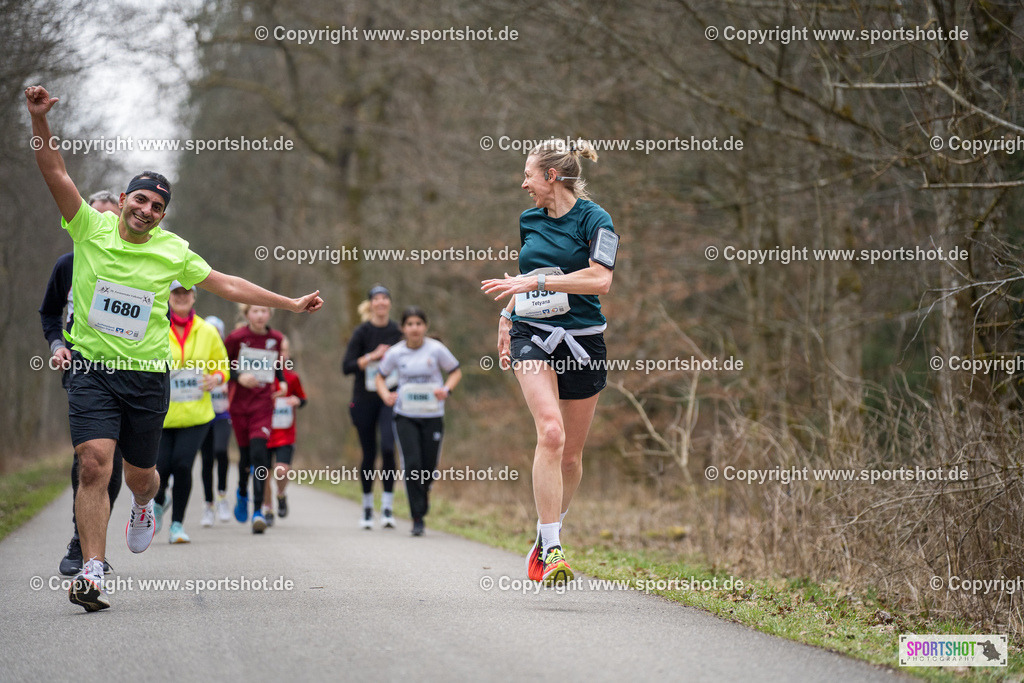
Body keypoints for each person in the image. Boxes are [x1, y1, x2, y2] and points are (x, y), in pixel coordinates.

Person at [27, 84, 323, 612]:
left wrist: (291, 304)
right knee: (94, 463)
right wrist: (39, 120)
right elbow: (56, 173)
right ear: (124, 200)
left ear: (163, 216)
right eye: (140, 200)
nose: (146, 210)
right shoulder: (89, 228)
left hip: (146, 377)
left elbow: (228, 284)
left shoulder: (173, 252)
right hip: (93, 369)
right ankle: (92, 568)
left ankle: (146, 503)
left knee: (140, 475)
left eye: (157, 206)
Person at [480, 138, 616, 584]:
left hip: (583, 340)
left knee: (571, 458)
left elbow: (600, 280)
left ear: (552, 176)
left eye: (529, 175)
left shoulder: (596, 220)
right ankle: (554, 550)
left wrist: (538, 283)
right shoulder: (529, 220)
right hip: (533, 334)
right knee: (551, 433)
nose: (524, 184)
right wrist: (507, 315)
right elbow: (527, 277)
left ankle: (545, 534)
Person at [41, 191, 126, 576]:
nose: (104, 224)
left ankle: (96, 540)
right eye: (97, 217)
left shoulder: (136, 263)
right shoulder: (69, 264)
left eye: (111, 217)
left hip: (131, 371)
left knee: (117, 463)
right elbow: (49, 313)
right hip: (84, 369)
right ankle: (82, 543)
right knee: (90, 458)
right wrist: (58, 345)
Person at [153, 281, 229, 543]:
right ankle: (158, 502)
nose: (182, 297)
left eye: (187, 292)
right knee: (160, 469)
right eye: (177, 292)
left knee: (183, 465)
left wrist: (216, 378)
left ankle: (177, 526)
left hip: (197, 414)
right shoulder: (156, 326)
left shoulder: (207, 331)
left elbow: (222, 365)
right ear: (168, 296)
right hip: (162, 413)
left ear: (194, 297)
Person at [376, 307, 461, 536]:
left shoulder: (436, 349)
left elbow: (455, 371)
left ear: (425, 326)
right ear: (403, 328)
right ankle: (417, 517)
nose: (414, 328)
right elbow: (380, 377)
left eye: (418, 324)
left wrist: (446, 389)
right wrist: (385, 395)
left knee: (428, 467)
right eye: (410, 324)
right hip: (405, 415)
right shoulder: (396, 352)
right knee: (412, 464)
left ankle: (423, 497)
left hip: (432, 415)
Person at [342, 285, 402, 529]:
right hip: (364, 398)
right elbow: (346, 367)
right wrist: (372, 356)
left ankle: (387, 507)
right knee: (369, 453)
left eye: (385, 298)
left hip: (390, 398)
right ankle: (367, 508)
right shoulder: (362, 332)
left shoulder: (398, 331)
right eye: (376, 299)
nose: (381, 302)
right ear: (370, 304)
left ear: (389, 303)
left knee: (388, 448)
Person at [225, 304, 286, 533]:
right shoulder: (236, 338)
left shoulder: (276, 338)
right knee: (245, 457)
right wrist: (238, 377)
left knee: (260, 455)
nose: (260, 315)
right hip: (240, 405)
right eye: (255, 311)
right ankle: (242, 492)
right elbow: (220, 364)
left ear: (270, 313)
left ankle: (258, 511)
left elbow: (276, 366)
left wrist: (283, 383)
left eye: (264, 311)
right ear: (246, 313)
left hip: (263, 405)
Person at [198, 315, 233, 525]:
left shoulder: (227, 356)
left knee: (221, 451)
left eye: (217, 331)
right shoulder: (197, 355)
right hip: (203, 414)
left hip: (222, 414)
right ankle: (209, 504)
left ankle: (222, 496)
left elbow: (235, 376)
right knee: (207, 459)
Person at [268, 336, 306, 519]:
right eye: (276, 351)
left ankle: (281, 494)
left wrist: (296, 400)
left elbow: (303, 399)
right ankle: (267, 508)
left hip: (285, 433)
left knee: (281, 470)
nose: (280, 354)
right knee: (263, 473)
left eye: (283, 350)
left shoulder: (292, 377)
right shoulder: (262, 377)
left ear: (288, 354)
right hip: (264, 432)